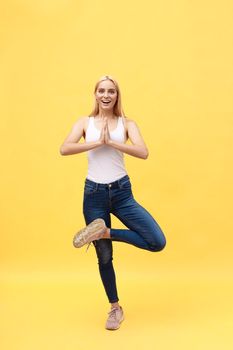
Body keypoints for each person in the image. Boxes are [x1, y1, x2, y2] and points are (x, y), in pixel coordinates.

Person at [60, 75, 166, 330]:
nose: (106, 95)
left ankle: (104, 232)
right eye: (101, 91)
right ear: (95, 94)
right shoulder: (84, 123)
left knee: (156, 241)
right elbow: (64, 148)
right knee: (104, 257)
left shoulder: (127, 124)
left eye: (111, 91)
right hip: (93, 195)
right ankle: (115, 309)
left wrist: (114, 142)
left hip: (121, 193)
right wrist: (98, 142)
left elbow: (143, 152)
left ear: (117, 96)